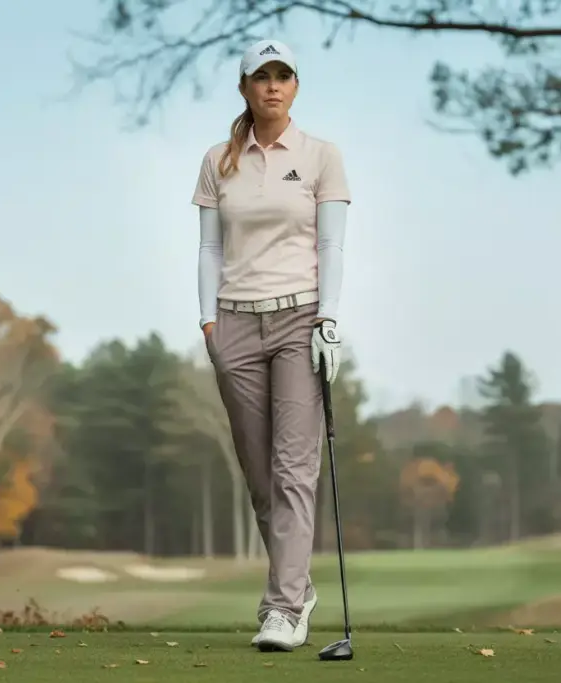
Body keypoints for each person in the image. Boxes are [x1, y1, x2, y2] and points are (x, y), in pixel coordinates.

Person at [191, 38, 351, 653]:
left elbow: (331, 247)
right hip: (232, 324)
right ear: (244, 88)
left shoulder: (320, 157)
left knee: (292, 470)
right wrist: (208, 324)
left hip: (298, 323)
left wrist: (328, 320)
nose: (273, 86)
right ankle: (299, 584)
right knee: (260, 476)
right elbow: (209, 247)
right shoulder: (217, 160)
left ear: (296, 86)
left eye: (284, 75)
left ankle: (282, 608)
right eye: (262, 77)